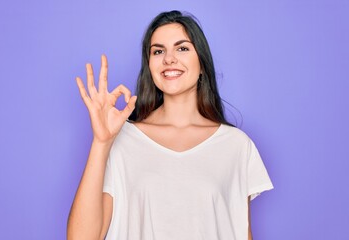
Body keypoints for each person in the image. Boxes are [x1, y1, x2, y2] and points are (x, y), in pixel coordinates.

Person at [67, 10, 273, 240]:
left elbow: (241, 233)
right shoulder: (122, 140)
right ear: (150, 66)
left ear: (202, 64)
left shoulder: (236, 146)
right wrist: (101, 142)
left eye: (182, 48)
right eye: (158, 51)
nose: (169, 58)